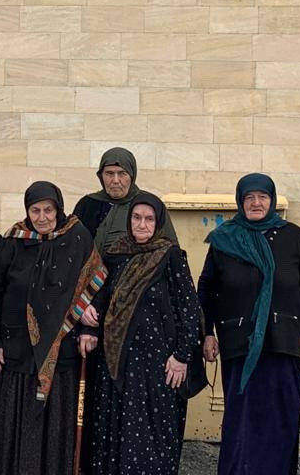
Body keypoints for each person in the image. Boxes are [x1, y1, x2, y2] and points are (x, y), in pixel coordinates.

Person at [197, 173, 300, 475]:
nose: (256, 203)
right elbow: (207, 287)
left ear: (271, 200)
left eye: (262, 197)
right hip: (240, 342)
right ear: (240, 201)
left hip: (285, 341)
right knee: (242, 421)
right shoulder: (225, 238)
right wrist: (207, 333)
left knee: (281, 420)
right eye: (249, 197)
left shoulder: (292, 236)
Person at [0, 181, 107, 475]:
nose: (42, 217)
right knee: (17, 423)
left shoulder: (77, 236)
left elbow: (98, 281)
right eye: (35, 210)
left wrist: (89, 328)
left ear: (58, 209)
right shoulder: (14, 240)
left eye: (48, 210)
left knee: (54, 427)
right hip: (18, 352)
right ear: (27, 211)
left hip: (60, 352)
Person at [79, 191, 201, 475]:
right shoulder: (115, 255)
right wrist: (87, 323)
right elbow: (98, 295)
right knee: (112, 428)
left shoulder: (170, 256)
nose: (142, 224)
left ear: (158, 222)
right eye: (136, 217)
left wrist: (182, 356)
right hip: (116, 360)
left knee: (150, 433)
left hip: (157, 364)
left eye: (148, 219)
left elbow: (189, 309)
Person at [73, 147, 178, 253]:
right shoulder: (87, 204)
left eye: (122, 173)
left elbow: (170, 249)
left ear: (132, 175)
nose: (115, 180)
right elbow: (71, 247)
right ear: (101, 176)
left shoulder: (150, 204)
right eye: (109, 173)